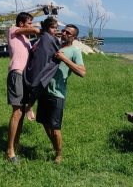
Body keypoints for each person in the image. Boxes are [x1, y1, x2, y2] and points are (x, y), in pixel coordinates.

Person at [36, 24, 86, 164]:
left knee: (55, 127)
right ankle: (55, 147)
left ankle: (59, 155)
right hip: (43, 91)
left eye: (68, 33)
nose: (63, 33)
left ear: (74, 37)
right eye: (63, 31)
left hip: (57, 94)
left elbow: (82, 72)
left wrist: (64, 59)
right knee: (45, 123)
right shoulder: (53, 45)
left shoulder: (74, 52)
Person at [6, 12, 40, 165]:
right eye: (30, 23)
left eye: (33, 23)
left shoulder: (26, 41)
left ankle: (17, 145)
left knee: (21, 112)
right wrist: (42, 30)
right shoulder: (13, 31)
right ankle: (9, 151)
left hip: (24, 77)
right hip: (16, 74)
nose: (32, 26)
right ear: (21, 24)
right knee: (17, 112)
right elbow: (34, 31)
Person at [24, 17, 61, 121]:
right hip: (40, 66)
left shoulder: (50, 38)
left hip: (44, 65)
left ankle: (30, 106)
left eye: (56, 28)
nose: (55, 30)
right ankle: (30, 106)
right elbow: (43, 55)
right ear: (45, 27)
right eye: (52, 27)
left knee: (40, 84)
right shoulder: (45, 38)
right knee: (39, 82)